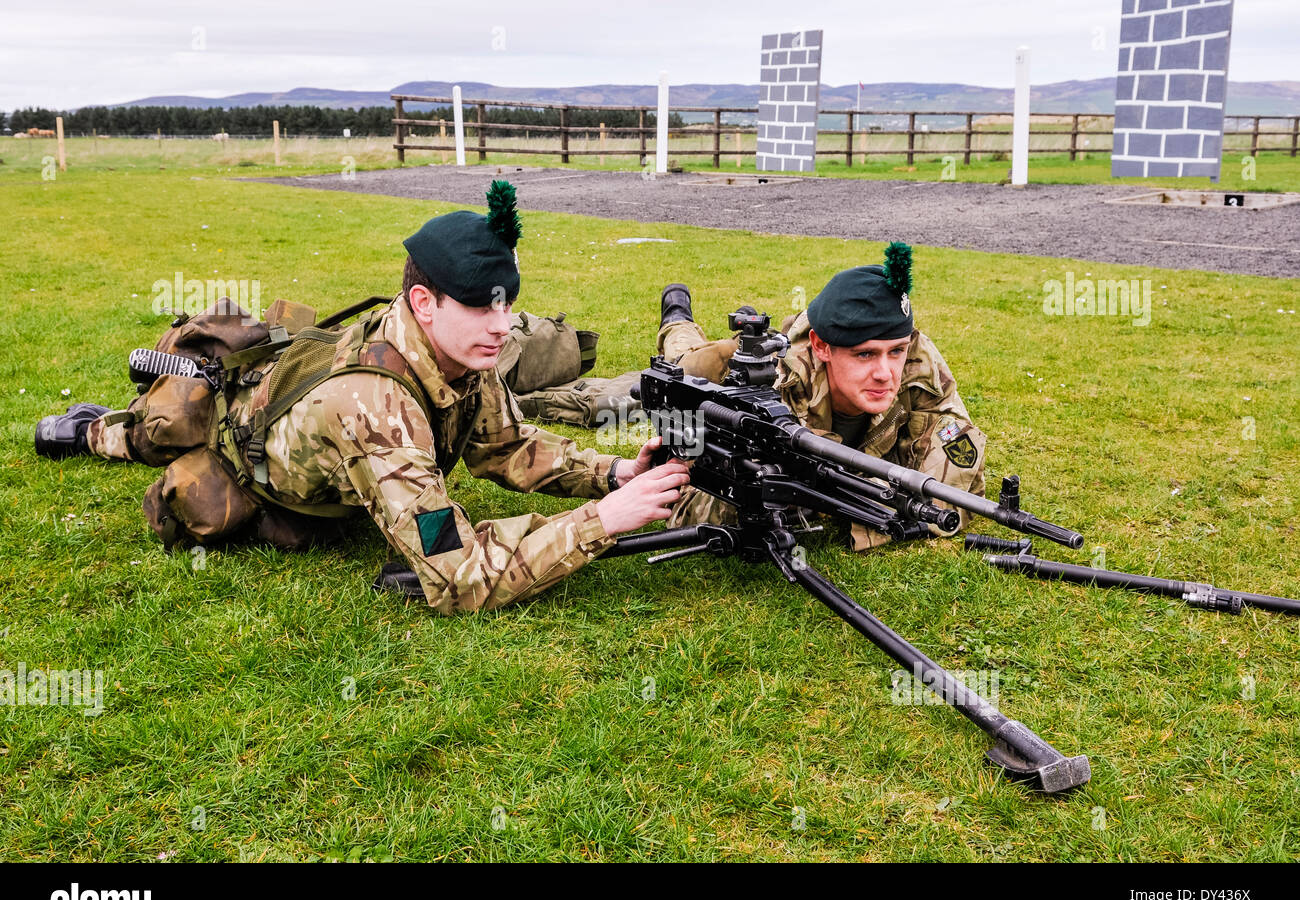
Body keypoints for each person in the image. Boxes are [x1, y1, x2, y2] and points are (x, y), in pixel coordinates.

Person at [34, 182, 690, 613]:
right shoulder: (376, 408)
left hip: (300, 412)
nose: (501, 325)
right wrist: (606, 519)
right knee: (164, 437)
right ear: (424, 304)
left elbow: (504, 445)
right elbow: (457, 573)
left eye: (507, 306)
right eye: (482, 307)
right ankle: (94, 432)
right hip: (248, 453)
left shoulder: (464, 349)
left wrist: (613, 473)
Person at [655, 242, 986, 549]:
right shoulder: (779, 388)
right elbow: (694, 508)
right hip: (723, 366)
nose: (886, 373)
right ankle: (677, 317)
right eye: (865, 355)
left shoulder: (916, 358)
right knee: (681, 364)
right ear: (822, 346)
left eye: (895, 351)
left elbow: (959, 465)